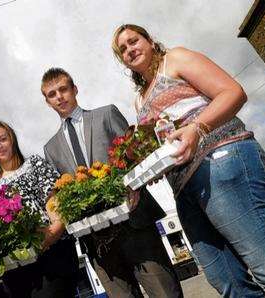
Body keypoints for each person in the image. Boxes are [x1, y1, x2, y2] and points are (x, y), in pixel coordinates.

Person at [112, 24, 265, 297]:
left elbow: (233, 92)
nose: (130, 49)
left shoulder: (175, 59)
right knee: (228, 283)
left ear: (150, 41)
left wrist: (197, 128)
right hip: (184, 188)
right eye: (123, 49)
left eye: (134, 41)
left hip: (220, 159)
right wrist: (148, 169)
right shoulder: (139, 101)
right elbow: (165, 144)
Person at [41, 67, 183, 298]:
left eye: (63, 89)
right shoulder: (51, 148)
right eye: (52, 94)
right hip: (96, 240)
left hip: (135, 222)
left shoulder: (106, 114)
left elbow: (134, 155)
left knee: (165, 293)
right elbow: (62, 193)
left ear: (74, 89)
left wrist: (135, 186)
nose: (59, 97)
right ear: (47, 101)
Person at [0, 119, 78, 298]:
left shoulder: (34, 165)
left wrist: (53, 231)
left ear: (12, 139)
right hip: (15, 270)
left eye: (3, 139)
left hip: (50, 257)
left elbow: (53, 200)